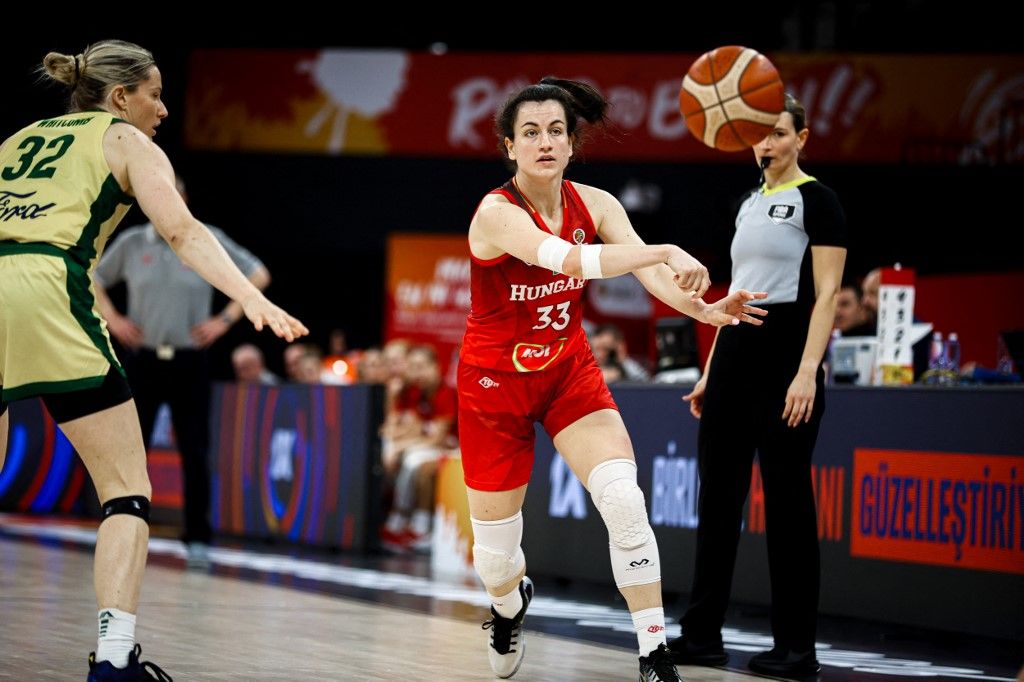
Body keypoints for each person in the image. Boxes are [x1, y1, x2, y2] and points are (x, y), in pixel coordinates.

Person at [0, 40, 306, 681]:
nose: (163, 109)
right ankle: (114, 662)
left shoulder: (20, 137)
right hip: (47, 286)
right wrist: (250, 298)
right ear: (120, 97)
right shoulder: (126, 141)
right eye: (154, 94)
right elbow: (184, 231)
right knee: (126, 494)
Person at [458, 77, 767, 682]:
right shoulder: (496, 214)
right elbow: (570, 261)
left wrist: (704, 310)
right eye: (530, 132)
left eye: (555, 130)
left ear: (572, 144)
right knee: (495, 560)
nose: (544, 141)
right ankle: (506, 603)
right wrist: (664, 249)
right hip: (494, 385)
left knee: (624, 500)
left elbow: (651, 279)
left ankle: (654, 653)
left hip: (567, 370)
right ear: (509, 147)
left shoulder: (596, 203)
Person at [667, 94, 846, 678]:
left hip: (785, 363)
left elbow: (826, 298)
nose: (765, 145)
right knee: (716, 504)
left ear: (802, 138)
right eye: (758, 136)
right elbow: (736, 292)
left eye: (776, 134)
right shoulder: (746, 204)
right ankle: (701, 637)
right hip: (734, 361)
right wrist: (709, 373)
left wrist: (806, 371)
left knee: (790, 508)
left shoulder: (818, 201)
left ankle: (797, 649)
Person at [92, 174, 271, 570]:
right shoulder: (133, 243)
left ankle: (198, 539)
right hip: (144, 358)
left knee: (195, 450)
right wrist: (115, 320)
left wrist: (224, 319)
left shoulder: (205, 238)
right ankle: (118, 531)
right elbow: (91, 276)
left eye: (173, 195)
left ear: (183, 200)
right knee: (128, 453)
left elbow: (257, 274)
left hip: (191, 360)